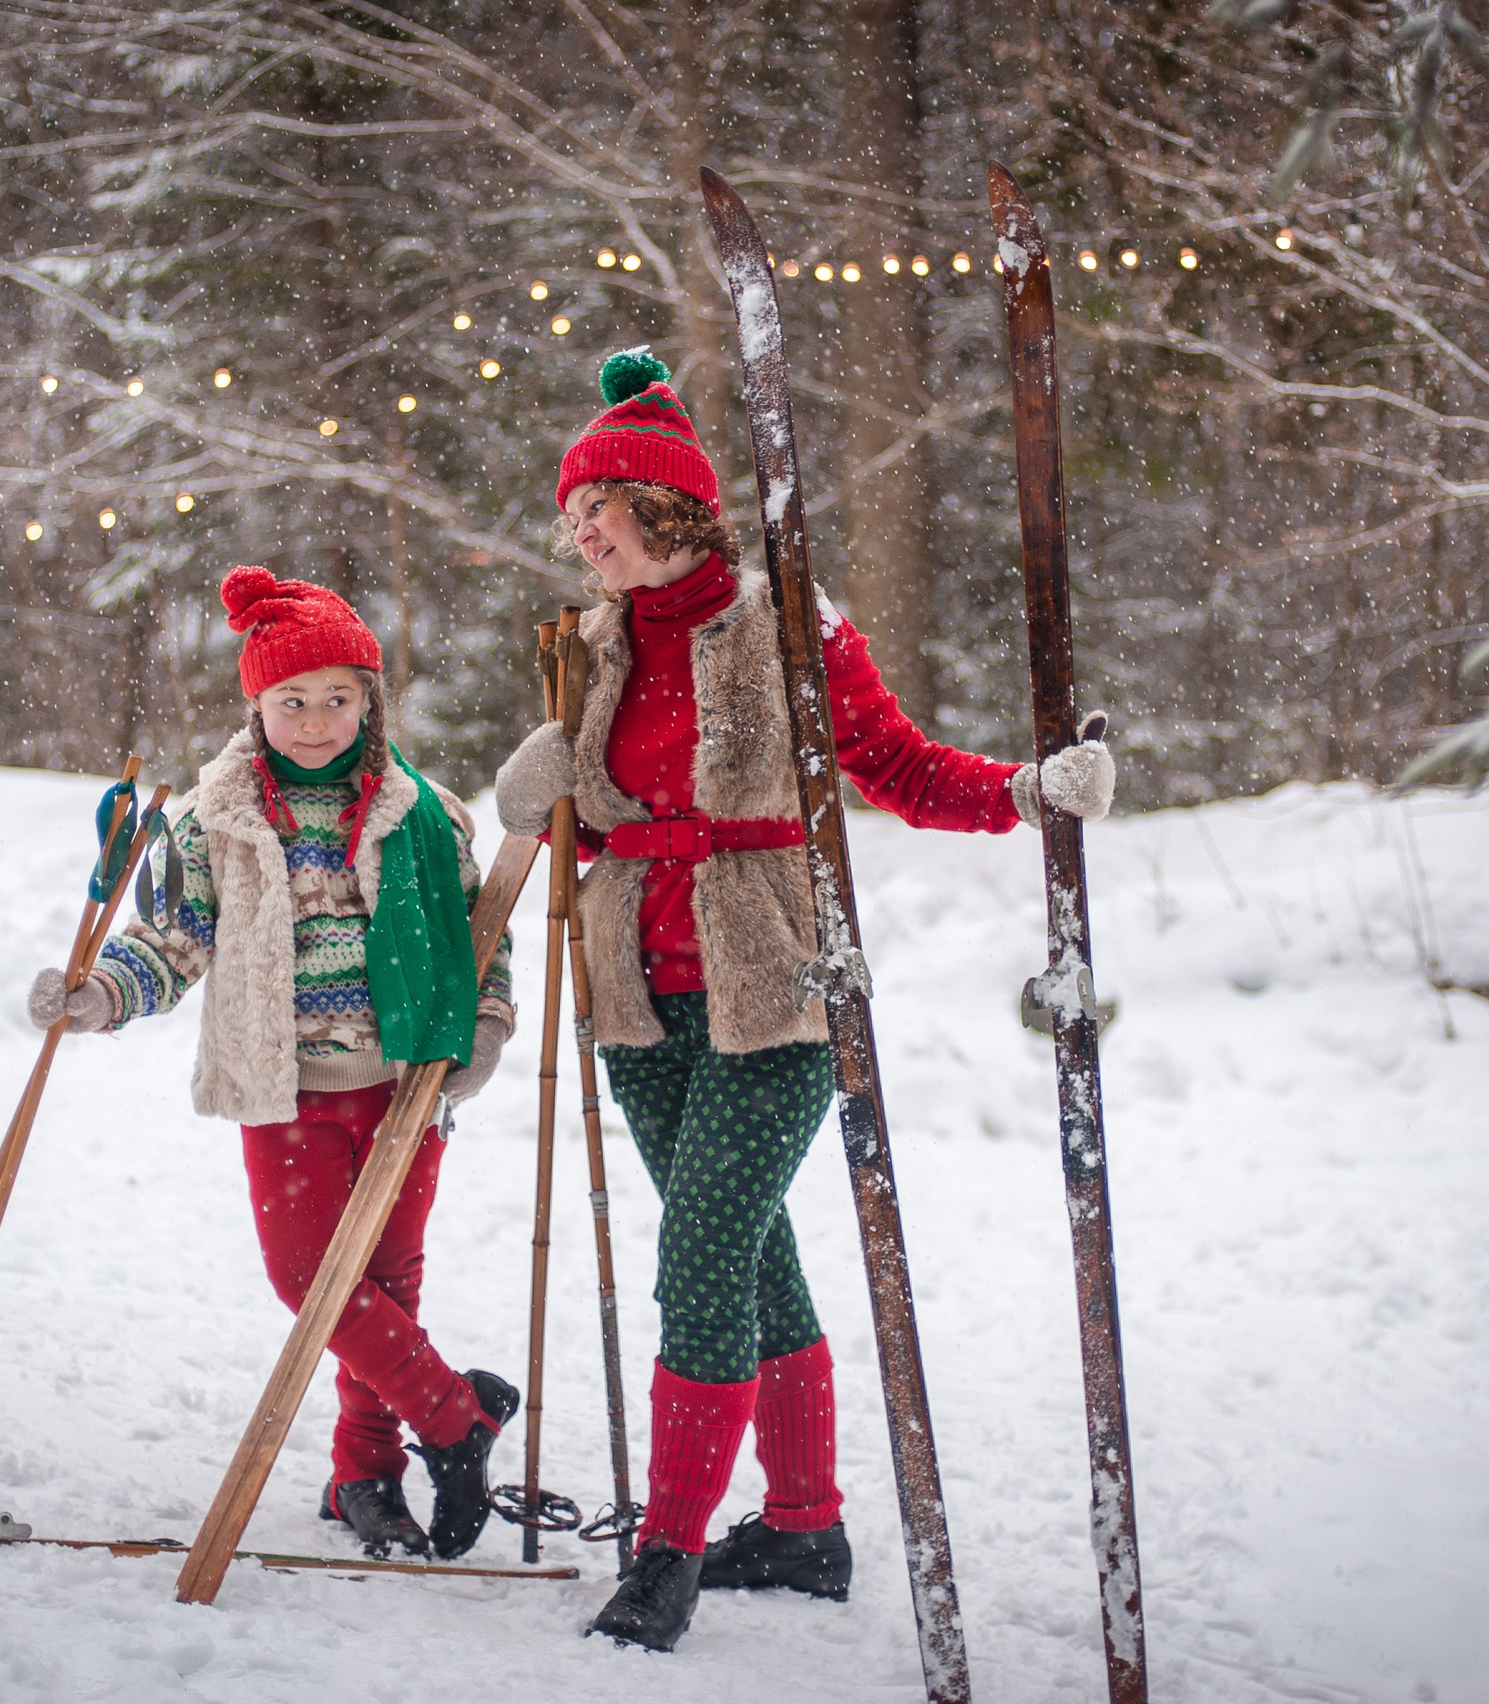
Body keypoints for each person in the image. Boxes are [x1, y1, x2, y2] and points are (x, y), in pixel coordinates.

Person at [494, 351, 1117, 1650]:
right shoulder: (595, 647)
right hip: (638, 997)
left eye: (595, 509)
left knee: (703, 1255)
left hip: (776, 980)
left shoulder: (789, 622)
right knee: (750, 1250)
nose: (579, 534)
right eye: (573, 517)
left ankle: (665, 1556)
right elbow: (593, 812)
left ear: (664, 506)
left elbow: (890, 762)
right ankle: (805, 1526)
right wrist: (544, 782)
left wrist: (1024, 792)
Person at [29, 566, 520, 1561]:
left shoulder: (420, 811)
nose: (313, 721)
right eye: (291, 701)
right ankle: (455, 1418)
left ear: (370, 703)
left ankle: (364, 1477)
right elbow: (173, 937)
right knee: (310, 1278)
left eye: (338, 700)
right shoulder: (215, 818)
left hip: (403, 1082)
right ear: (256, 704)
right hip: (281, 1086)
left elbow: (483, 935)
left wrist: (491, 1023)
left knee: (386, 1285)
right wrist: (100, 996)